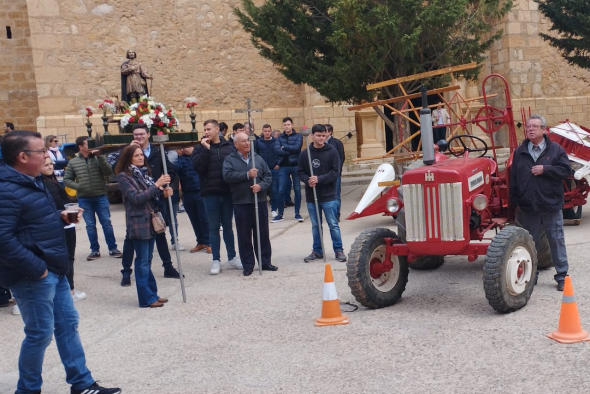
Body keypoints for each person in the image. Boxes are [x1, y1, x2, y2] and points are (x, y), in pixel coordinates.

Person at [0, 130, 121, 394]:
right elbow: (3, 240)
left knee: (68, 324)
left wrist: (60, 217)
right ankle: (28, 390)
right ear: (22, 157)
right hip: (33, 275)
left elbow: (31, 222)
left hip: (54, 268)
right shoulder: (6, 190)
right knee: (39, 334)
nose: (47, 155)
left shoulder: (32, 181)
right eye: (40, 151)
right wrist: (39, 270)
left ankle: (82, 383)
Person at [107, 123, 181, 285]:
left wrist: (164, 186)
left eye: (141, 134)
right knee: (131, 239)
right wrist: (126, 151)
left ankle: (168, 267)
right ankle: (126, 272)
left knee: (160, 232)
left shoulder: (156, 151)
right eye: (135, 134)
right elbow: (116, 168)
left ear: (148, 135)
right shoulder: (128, 153)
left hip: (155, 199)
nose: (138, 137)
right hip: (138, 205)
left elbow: (171, 170)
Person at [509, 114, 572, 291]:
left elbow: (566, 170)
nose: (530, 129)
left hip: (550, 206)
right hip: (529, 208)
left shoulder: (556, 150)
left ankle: (562, 277)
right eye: (528, 126)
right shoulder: (520, 152)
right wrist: (516, 201)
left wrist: (546, 169)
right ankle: (531, 276)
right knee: (529, 244)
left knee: (556, 241)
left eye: (534, 126)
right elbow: (513, 179)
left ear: (544, 130)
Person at [116, 144, 172, 307]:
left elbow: (152, 199)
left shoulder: (143, 174)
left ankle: (152, 294)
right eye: (136, 156)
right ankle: (146, 299)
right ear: (128, 158)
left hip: (150, 219)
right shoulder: (124, 177)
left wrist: (162, 193)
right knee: (142, 261)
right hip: (138, 222)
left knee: (147, 259)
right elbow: (137, 198)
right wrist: (156, 185)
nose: (141, 157)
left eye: (141, 155)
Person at [192, 119, 242, 275]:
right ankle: (216, 260)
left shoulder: (228, 147)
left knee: (228, 226)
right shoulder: (200, 148)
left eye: (209, 129)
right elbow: (198, 167)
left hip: (227, 193)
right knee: (213, 227)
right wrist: (206, 150)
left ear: (217, 130)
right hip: (210, 193)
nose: (206, 132)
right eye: (204, 129)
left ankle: (232, 257)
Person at [223, 132, 277, 276]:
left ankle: (265, 262)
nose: (247, 143)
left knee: (262, 233)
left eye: (248, 141)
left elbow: (268, 175)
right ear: (236, 144)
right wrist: (247, 175)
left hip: (258, 201)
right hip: (241, 202)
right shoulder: (230, 159)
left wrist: (261, 186)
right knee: (244, 235)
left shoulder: (257, 158)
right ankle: (248, 264)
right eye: (243, 141)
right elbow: (227, 176)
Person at [64, 136, 123, 261]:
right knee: (90, 225)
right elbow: (67, 180)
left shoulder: (98, 158)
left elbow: (108, 172)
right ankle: (94, 250)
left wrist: (100, 156)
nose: (92, 146)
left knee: (106, 223)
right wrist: (79, 186)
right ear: (80, 147)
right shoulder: (73, 162)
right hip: (84, 198)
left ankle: (113, 248)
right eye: (88, 144)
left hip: (100, 195)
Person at [297, 124, 347, 263]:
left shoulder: (332, 152)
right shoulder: (305, 153)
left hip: (328, 195)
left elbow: (334, 172)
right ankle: (317, 250)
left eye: (323, 136)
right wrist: (307, 180)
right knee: (316, 225)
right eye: (318, 135)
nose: (321, 138)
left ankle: (339, 250)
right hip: (312, 196)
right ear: (312, 135)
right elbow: (300, 171)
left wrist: (319, 179)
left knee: (333, 224)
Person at [41, 157, 86, 302]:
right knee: (68, 257)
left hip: (64, 222)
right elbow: (58, 203)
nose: (50, 167)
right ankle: (70, 291)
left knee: (67, 258)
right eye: (46, 165)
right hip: (63, 223)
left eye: (50, 164)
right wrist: (68, 208)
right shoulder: (46, 184)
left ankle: (69, 290)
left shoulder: (50, 181)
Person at [175, 145, 211, 254]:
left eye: (187, 146)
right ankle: (200, 242)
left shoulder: (199, 157)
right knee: (194, 219)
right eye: (183, 147)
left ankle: (208, 242)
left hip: (201, 192)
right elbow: (175, 169)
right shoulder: (180, 160)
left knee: (204, 219)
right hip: (187, 193)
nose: (184, 148)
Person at [273, 117, 303, 223]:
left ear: (292, 125)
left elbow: (297, 148)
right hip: (283, 167)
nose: (287, 126)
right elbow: (276, 150)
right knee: (280, 190)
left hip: (295, 166)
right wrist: (289, 149)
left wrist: (284, 147)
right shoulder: (279, 138)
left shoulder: (298, 136)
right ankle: (280, 214)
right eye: (285, 125)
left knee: (297, 190)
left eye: (288, 124)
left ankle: (297, 213)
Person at [255, 124, 281, 218]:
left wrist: (279, 163)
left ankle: (274, 209)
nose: (267, 133)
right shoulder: (258, 142)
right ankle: (263, 211)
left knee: (274, 190)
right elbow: (256, 154)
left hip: (274, 169)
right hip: (262, 170)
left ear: (271, 131)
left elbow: (280, 153)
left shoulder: (276, 141)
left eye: (268, 131)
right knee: (263, 190)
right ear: (262, 131)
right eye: (265, 131)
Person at [325, 124, 345, 222]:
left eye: (325, 131)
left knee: (336, 194)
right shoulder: (321, 143)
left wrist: (337, 170)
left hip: (335, 173)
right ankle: (329, 214)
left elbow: (341, 157)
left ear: (330, 132)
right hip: (324, 173)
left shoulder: (337, 143)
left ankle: (337, 214)